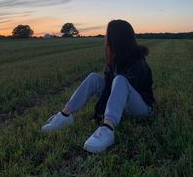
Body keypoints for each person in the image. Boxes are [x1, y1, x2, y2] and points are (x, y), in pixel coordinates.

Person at [41, 19, 155, 153]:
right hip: (120, 104)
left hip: (141, 107)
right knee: (94, 77)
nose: (106, 40)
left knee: (119, 80)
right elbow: (108, 90)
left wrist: (108, 113)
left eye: (108, 36)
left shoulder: (137, 61)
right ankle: (65, 115)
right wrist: (98, 114)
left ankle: (108, 128)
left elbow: (127, 91)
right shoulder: (115, 59)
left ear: (117, 39)